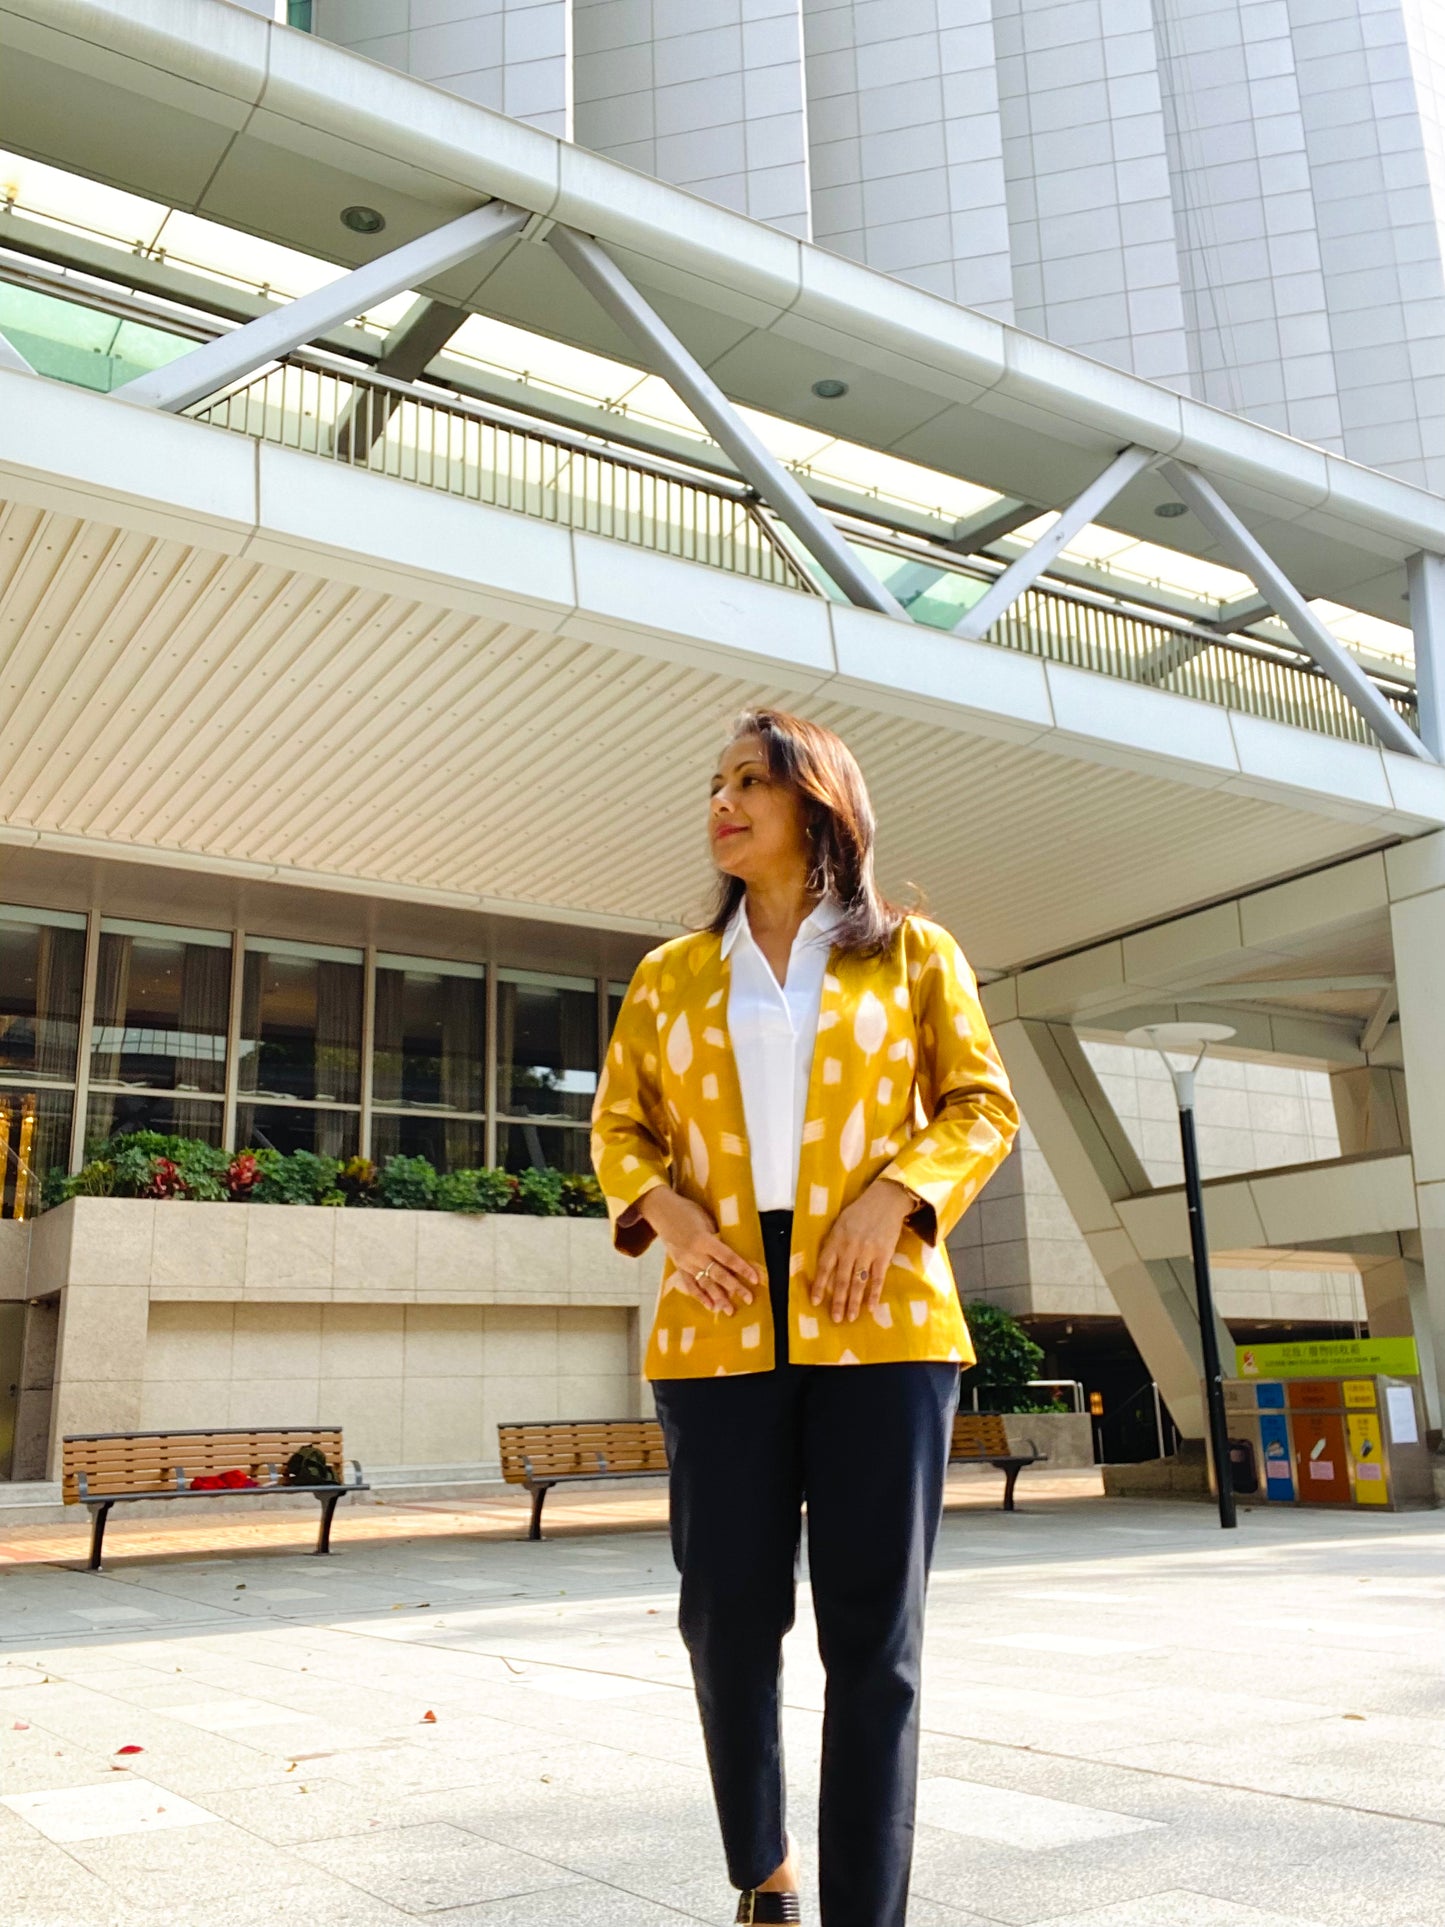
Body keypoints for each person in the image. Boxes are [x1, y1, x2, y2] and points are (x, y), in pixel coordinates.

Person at [591, 709, 1019, 1927]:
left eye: (747, 782)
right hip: (718, 1302)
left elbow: (978, 1104)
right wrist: (667, 1217)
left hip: (879, 1311)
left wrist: (896, 1196)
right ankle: (761, 1869)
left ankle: (866, 1912)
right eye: (714, 781)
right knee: (725, 1612)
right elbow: (618, 1126)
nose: (718, 801)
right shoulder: (670, 975)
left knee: (871, 1636)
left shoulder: (914, 956)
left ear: (818, 806)